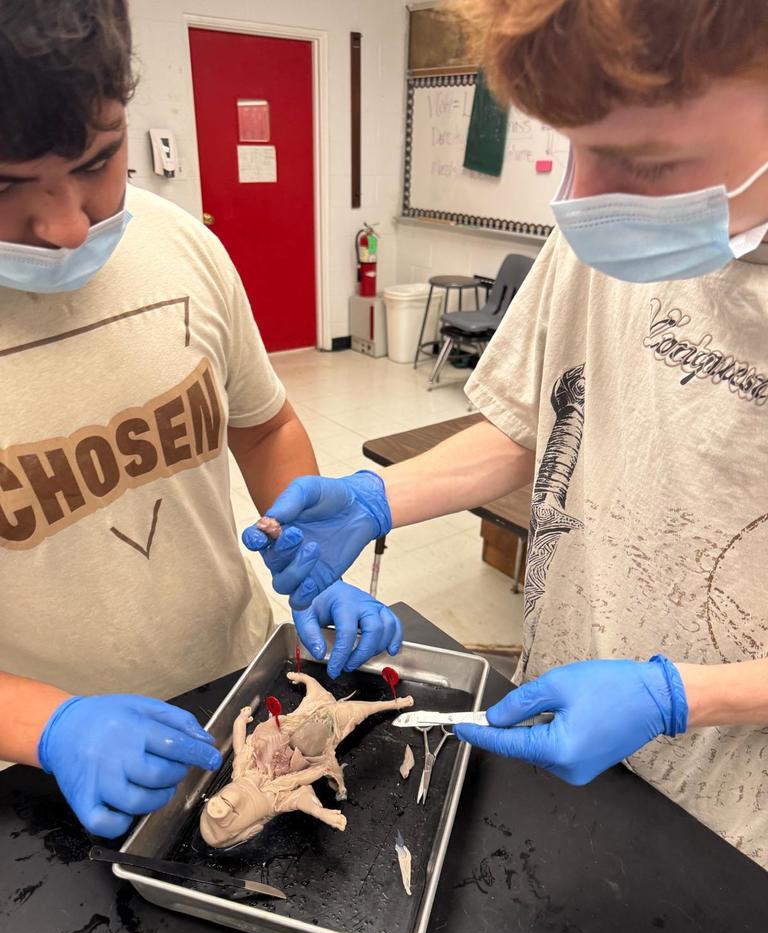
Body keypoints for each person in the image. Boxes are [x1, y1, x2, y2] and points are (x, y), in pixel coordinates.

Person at [244, 0, 768, 869]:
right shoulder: (606, 227)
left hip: (733, 821)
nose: (581, 201)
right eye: (571, 145)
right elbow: (536, 422)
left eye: (647, 161)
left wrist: (680, 697)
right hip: (559, 715)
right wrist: (379, 498)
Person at [0, 0, 401, 838]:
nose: (68, 224)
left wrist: (309, 563)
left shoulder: (180, 246)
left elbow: (260, 426)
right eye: (5, 186)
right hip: (43, 769)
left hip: (235, 684)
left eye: (99, 161)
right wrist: (45, 724)